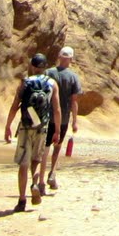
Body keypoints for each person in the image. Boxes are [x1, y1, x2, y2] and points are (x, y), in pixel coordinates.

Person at [3, 52, 55, 212]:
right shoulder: (52, 83)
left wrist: (8, 126)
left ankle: (22, 200)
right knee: (36, 159)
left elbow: (14, 106)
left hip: (26, 126)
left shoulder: (25, 83)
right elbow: (57, 108)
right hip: (42, 127)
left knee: (23, 164)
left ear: (32, 66)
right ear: (45, 67)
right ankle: (35, 182)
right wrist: (58, 130)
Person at [42, 45, 83, 191]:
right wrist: (75, 121)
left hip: (47, 115)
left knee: (44, 146)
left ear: (59, 57)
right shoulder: (73, 77)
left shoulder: (48, 72)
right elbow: (74, 101)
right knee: (57, 146)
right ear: (71, 59)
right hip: (64, 117)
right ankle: (52, 173)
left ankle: (40, 178)